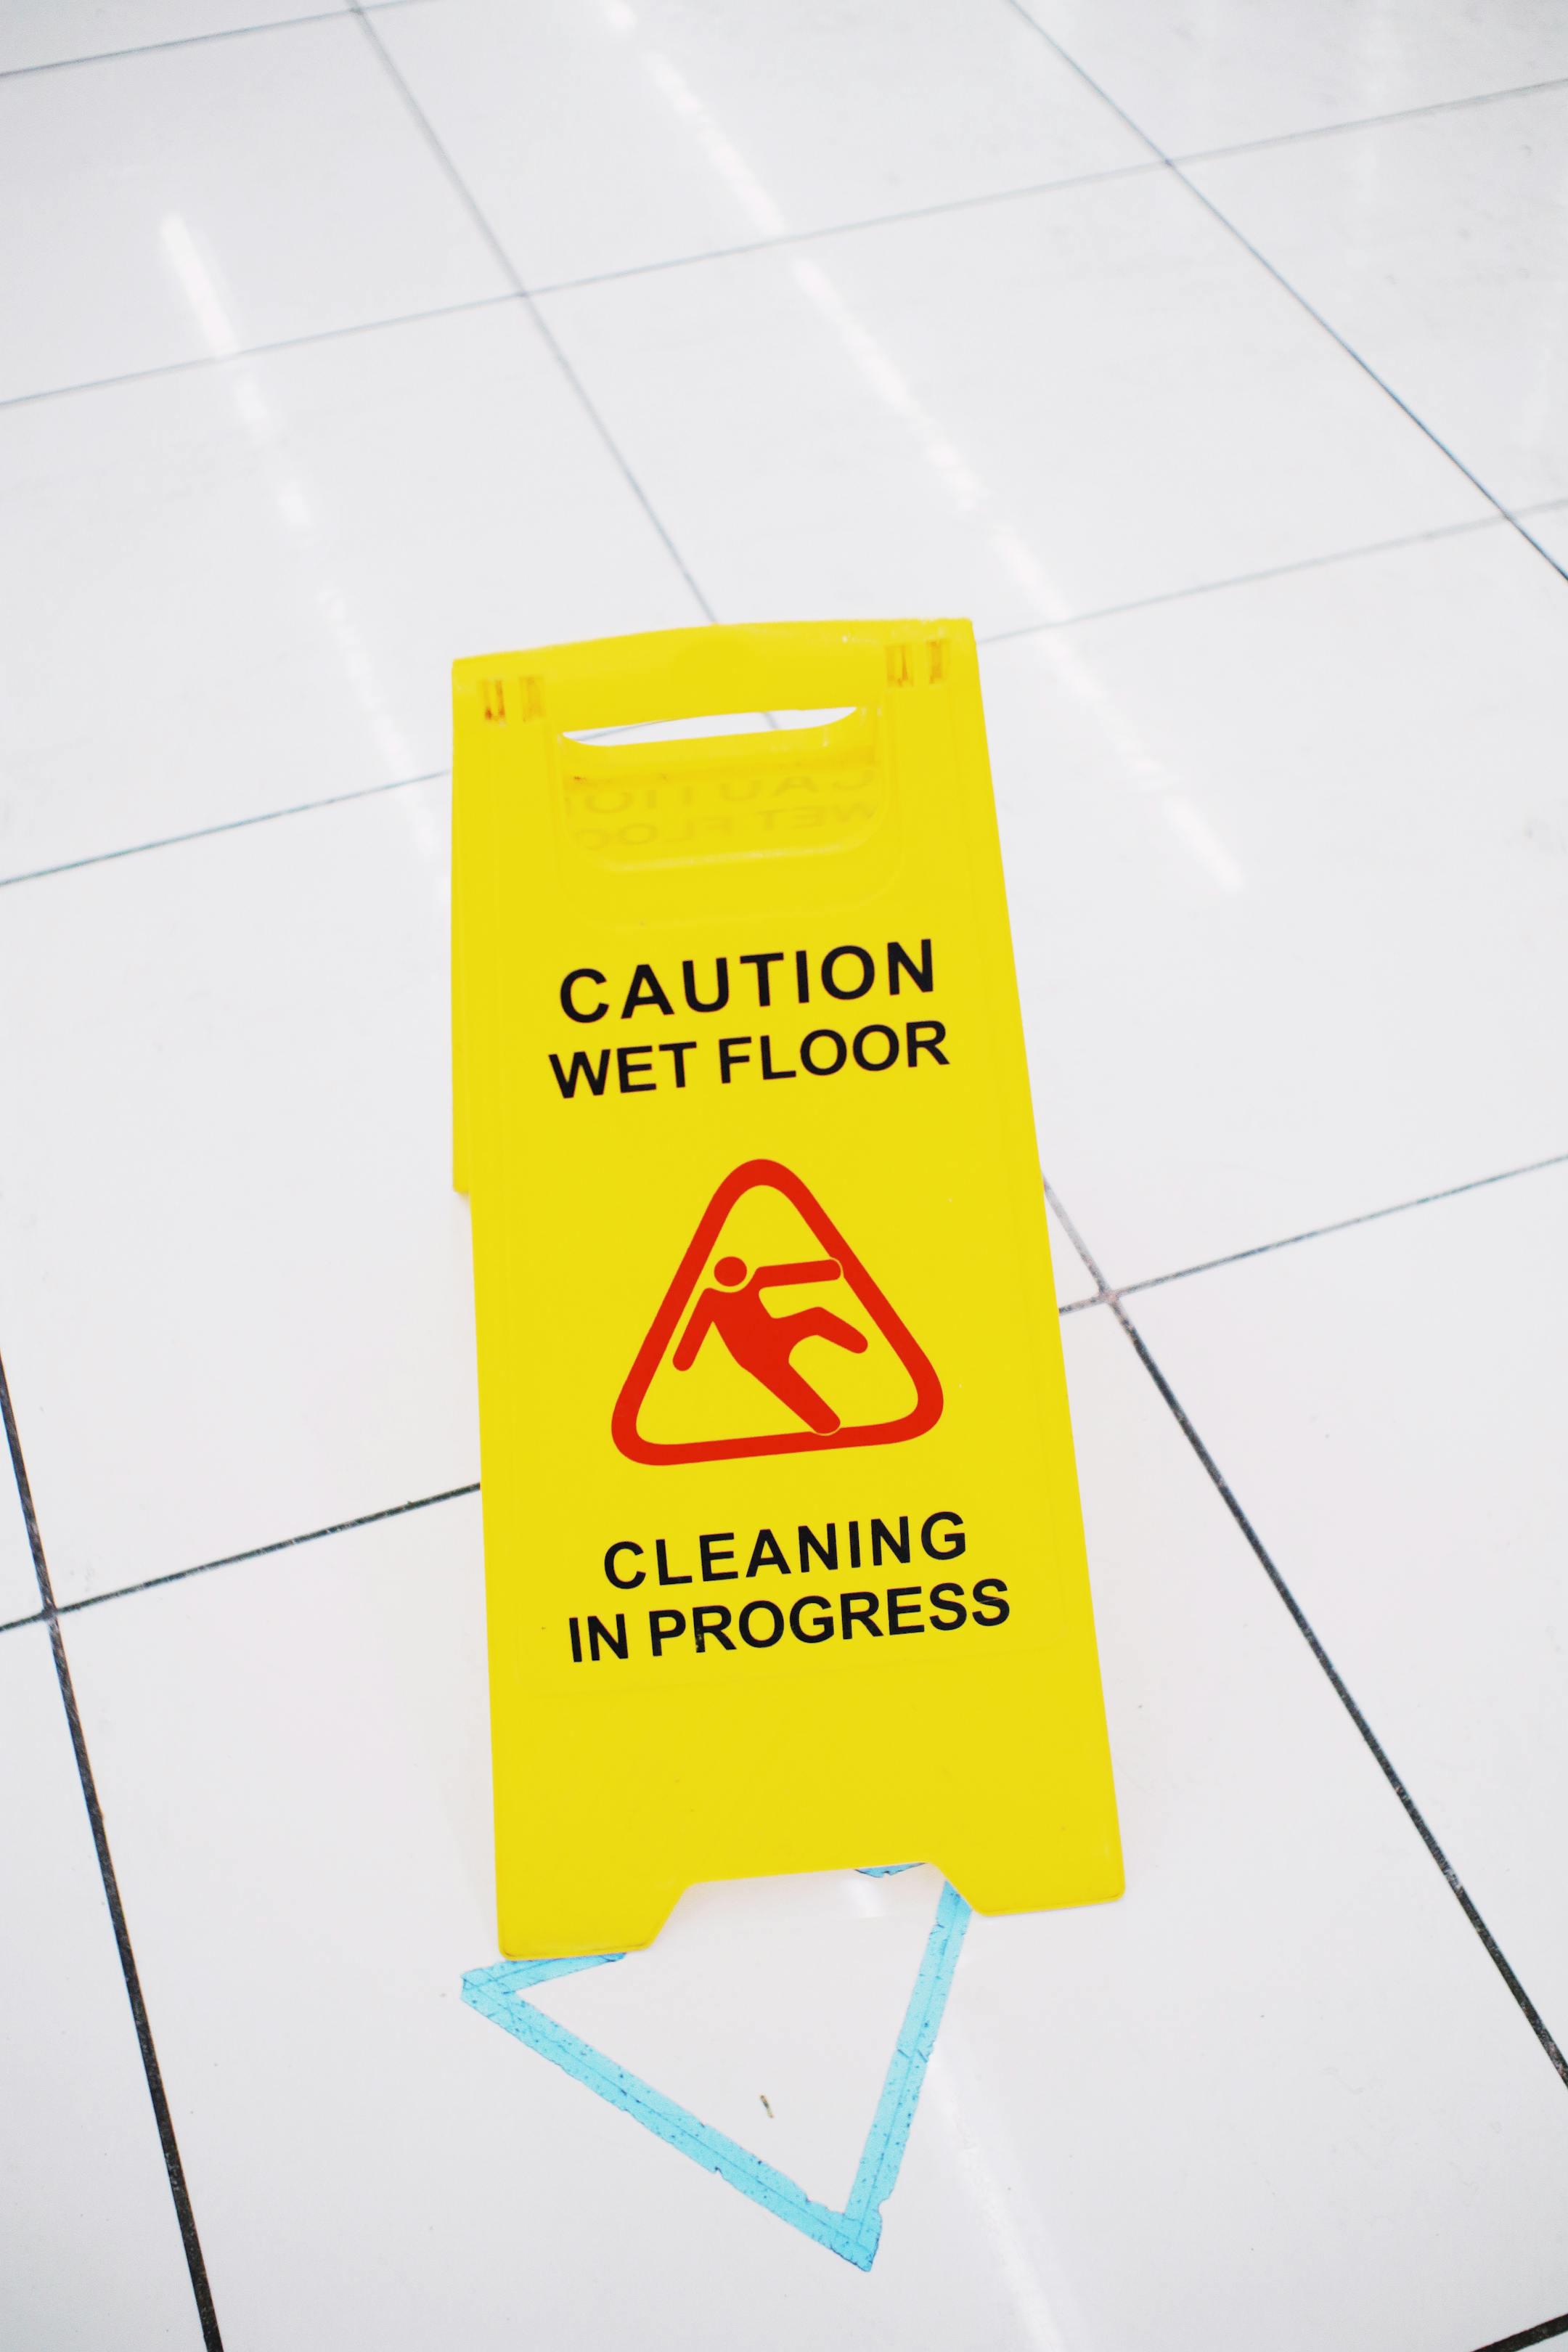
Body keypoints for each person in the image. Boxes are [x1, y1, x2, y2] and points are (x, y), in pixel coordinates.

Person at [673, 1254, 867, 1433]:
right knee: (787, 1384)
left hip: (773, 1333)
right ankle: (825, 1423)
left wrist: (830, 1270)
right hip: (753, 1354)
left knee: (815, 1317)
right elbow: (693, 1336)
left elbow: (790, 1275)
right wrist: (683, 1360)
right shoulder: (710, 1299)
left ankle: (860, 1345)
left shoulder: (754, 1280)